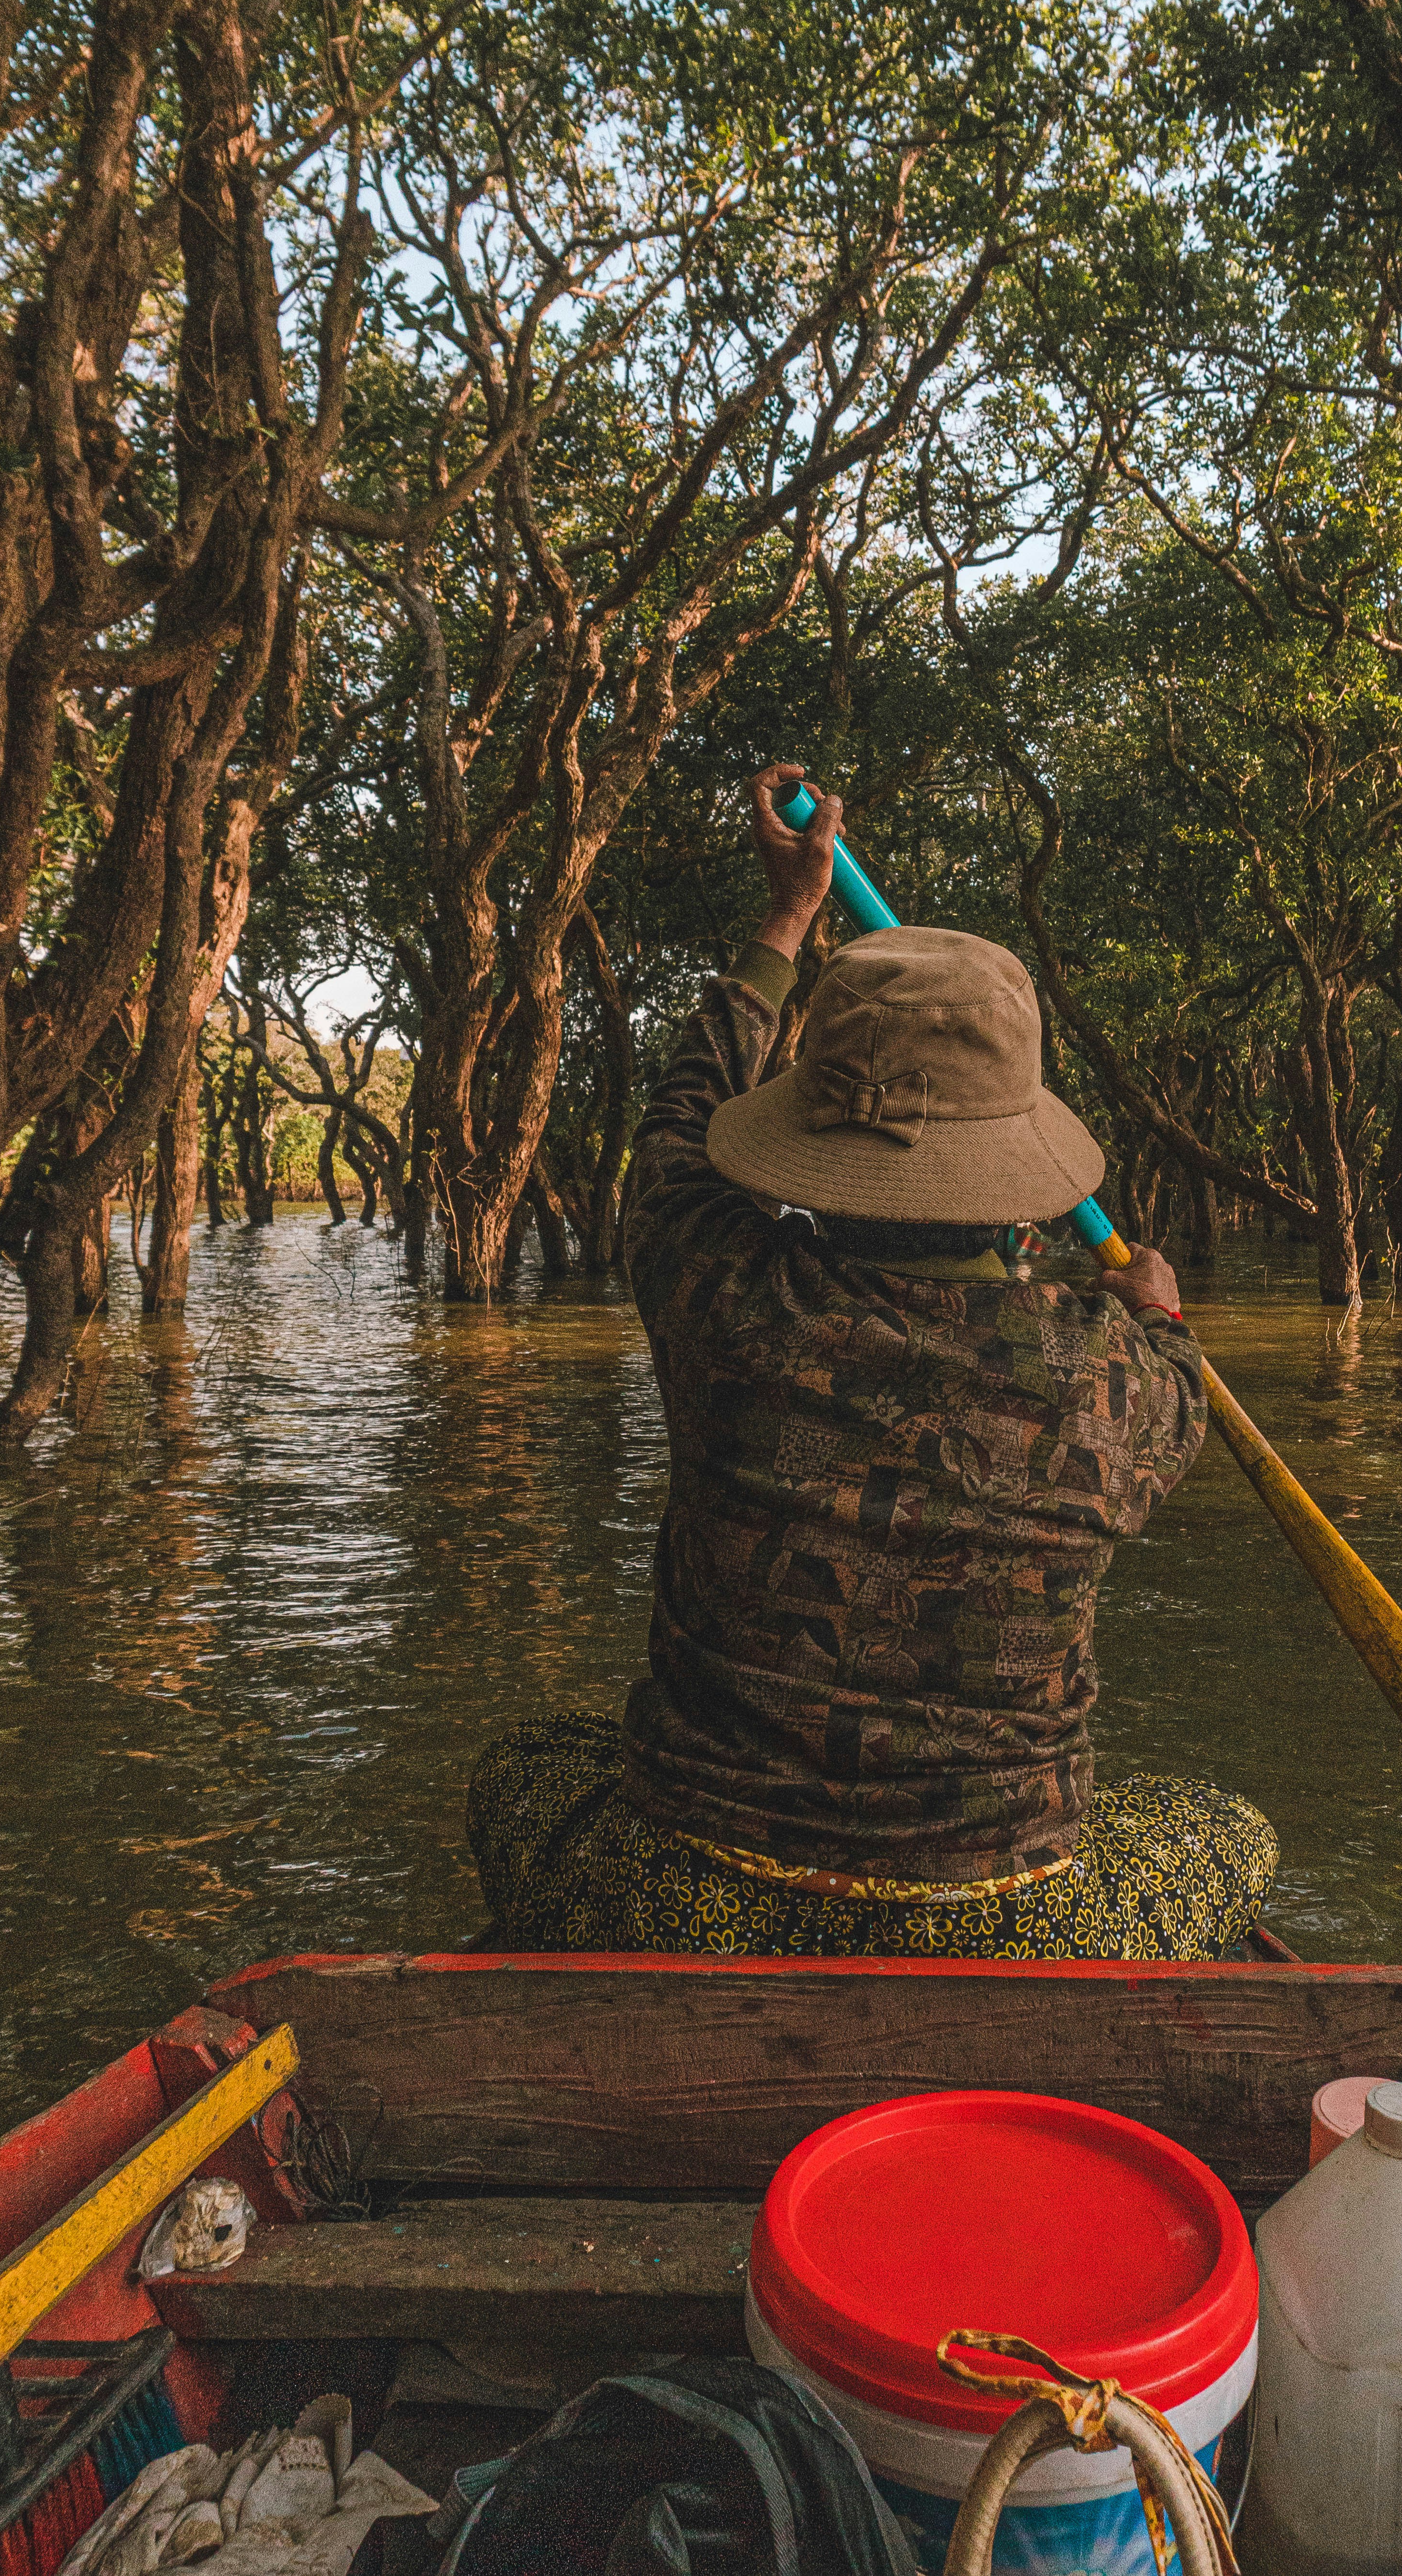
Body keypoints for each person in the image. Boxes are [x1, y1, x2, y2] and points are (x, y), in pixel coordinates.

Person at [468, 764, 1277, 1957]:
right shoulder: (1121, 1377)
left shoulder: (717, 1289)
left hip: (695, 1892)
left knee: (525, 1767)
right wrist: (1158, 1311)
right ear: (1019, 1202)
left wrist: (788, 916)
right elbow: (1165, 1366)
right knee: (1231, 1829)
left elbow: (677, 1132)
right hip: (1007, 1920)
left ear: (807, 1150)